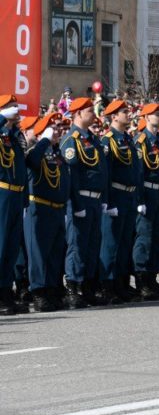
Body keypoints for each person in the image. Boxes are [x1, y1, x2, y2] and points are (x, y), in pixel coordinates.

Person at [61, 96, 110, 308]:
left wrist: (104, 199)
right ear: (78, 113)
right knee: (77, 245)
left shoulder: (92, 139)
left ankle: (88, 286)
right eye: (90, 110)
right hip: (79, 199)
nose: (94, 114)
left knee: (92, 244)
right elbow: (72, 175)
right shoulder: (71, 140)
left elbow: (102, 171)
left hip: (95, 199)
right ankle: (73, 286)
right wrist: (77, 204)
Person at [98, 99, 141, 304]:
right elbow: (105, 174)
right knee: (111, 244)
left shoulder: (127, 139)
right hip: (116, 195)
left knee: (125, 243)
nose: (128, 114)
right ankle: (108, 285)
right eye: (124, 111)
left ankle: (122, 283)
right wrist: (107, 201)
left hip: (129, 196)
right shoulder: (108, 141)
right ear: (114, 116)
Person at [23, 114, 68, 312]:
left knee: (54, 253)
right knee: (39, 253)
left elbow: (65, 179)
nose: (57, 131)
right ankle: (38, 292)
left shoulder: (57, 153)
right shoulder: (36, 150)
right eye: (53, 128)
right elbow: (32, 161)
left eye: (58, 128)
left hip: (57, 208)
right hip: (39, 207)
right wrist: (44, 140)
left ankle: (51, 289)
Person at [135, 103, 159, 299]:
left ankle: (152, 277)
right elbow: (139, 172)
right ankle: (142, 280)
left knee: (158, 237)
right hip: (147, 193)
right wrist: (140, 198)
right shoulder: (141, 141)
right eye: (156, 114)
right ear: (146, 117)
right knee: (145, 238)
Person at [0, 95, 29, 315]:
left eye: (15, 106)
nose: (16, 109)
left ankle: (5, 292)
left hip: (17, 195)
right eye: (11, 106)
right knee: (1, 246)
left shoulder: (15, 135)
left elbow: (22, 168)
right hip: (2, 193)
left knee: (11, 247)